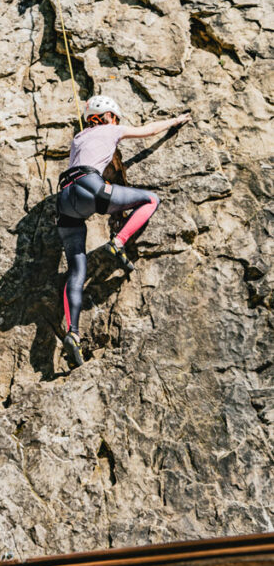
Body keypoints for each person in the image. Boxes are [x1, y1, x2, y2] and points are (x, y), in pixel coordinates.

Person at [56, 95, 190, 369]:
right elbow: (148, 130)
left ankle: (73, 332)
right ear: (107, 116)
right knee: (150, 199)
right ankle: (117, 243)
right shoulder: (113, 128)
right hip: (89, 186)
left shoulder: (79, 137)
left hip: (64, 198)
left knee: (76, 271)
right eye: (114, 117)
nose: (117, 122)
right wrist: (176, 120)